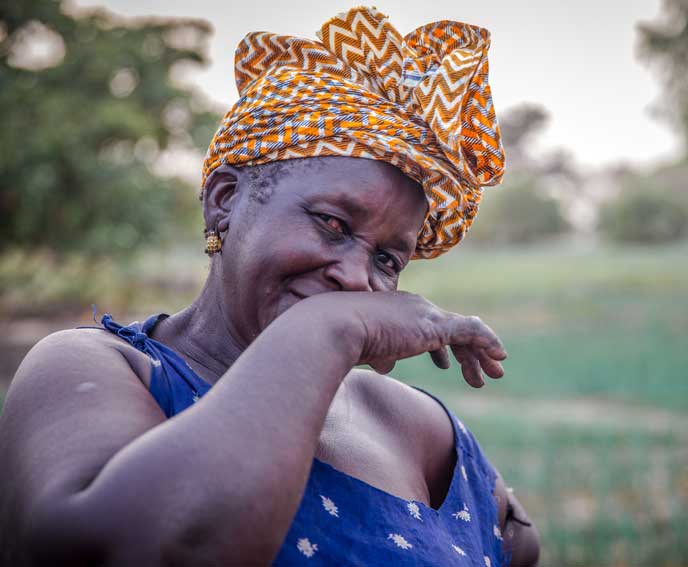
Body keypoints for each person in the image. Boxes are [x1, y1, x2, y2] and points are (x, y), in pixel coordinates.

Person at [0, 7, 540, 566]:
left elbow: (515, 546)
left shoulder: (416, 426)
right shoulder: (96, 371)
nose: (356, 278)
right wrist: (330, 328)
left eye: (387, 258)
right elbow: (131, 549)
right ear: (225, 200)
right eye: (332, 223)